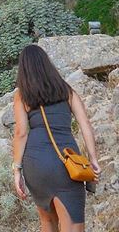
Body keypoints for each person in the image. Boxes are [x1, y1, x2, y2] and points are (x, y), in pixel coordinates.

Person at [12, 44, 102, 232]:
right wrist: (93, 159)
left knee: (48, 223)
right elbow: (85, 125)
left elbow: (21, 132)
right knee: (73, 225)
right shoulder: (66, 90)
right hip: (65, 163)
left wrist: (17, 170)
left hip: (35, 165)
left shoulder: (22, 96)